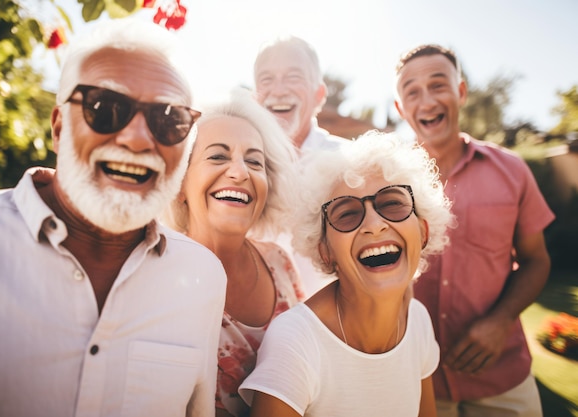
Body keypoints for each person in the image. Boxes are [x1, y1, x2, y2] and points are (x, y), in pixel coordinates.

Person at [0, 18, 227, 417]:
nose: (136, 139)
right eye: (106, 108)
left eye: (168, 119)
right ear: (59, 126)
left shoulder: (203, 276)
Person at [239, 131, 455, 416]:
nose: (374, 224)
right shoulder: (296, 341)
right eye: (347, 214)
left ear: (423, 232)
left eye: (393, 204)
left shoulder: (418, 320)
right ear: (326, 251)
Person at [394, 44, 555, 417]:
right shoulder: (386, 182)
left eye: (438, 85)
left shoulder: (512, 171)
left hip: (502, 378)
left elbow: (536, 261)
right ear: (401, 108)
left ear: (461, 92)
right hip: (417, 383)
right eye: (412, 92)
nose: (427, 101)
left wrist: (500, 322)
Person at [163, 88, 305, 417]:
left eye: (254, 161)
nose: (240, 172)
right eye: (217, 156)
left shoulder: (280, 263)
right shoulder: (154, 277)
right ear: (180, 183)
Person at [252, 35, 348, 296]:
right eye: (267, 79)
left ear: (319, 95)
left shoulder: (348, 161)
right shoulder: (240, 163)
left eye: (293, 77)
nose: (279, 90)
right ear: (254, 96)